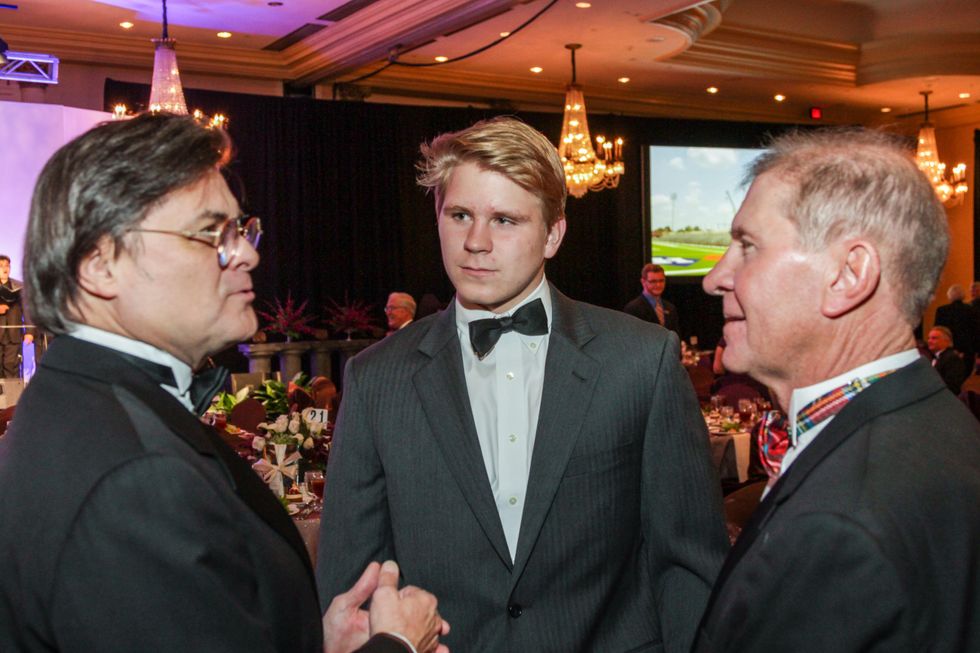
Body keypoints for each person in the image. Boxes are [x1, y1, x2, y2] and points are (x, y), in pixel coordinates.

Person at [0, 113, 446, 653]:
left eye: (242, 230)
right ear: (100, 265)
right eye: (213, 234)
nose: (249, 254)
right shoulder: (136, 478)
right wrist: (397, 644)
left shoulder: (84, 401)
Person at [317, 116, 727, 652]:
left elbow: (689, 563)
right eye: (459, 214)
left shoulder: (641, 359)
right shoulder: (377, 378)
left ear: (553, 233)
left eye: (505, 220)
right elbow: (353, 586)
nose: (476, 242)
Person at [695, 128, 980, 651]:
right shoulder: (935, 422)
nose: (716, 278)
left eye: (747, 247)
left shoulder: (840, 523)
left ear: (849, 275)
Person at [0, 255, 34, 378]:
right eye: (1, 266)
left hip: (13, 335)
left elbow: (27, 310)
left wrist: (30, 331)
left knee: (12, 367)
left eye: (7, 266)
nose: (5, 269)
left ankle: (12, 397)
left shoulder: (19, 286)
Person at [934, 283, 979, 372]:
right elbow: (976, 331)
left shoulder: (942, 310)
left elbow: (938, 331)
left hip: (947, 348)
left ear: (949, 296)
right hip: (967, 350)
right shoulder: (972, 310)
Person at [623, 262, 680, 333]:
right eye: (653, 281)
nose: (658, 285)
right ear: (643, 282)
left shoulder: (670, 308)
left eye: (661, 281)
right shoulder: (632, 309)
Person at [926, 326, 968, 394]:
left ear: (946, 341)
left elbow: (952, 386)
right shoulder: (937, 357)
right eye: (928, 338)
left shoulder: (952, 359)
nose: (929, 341)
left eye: (934, 338)